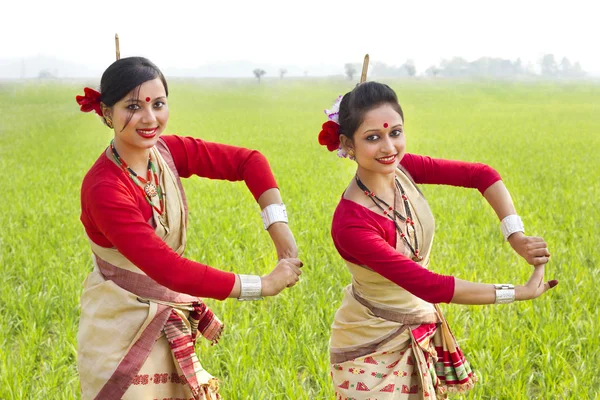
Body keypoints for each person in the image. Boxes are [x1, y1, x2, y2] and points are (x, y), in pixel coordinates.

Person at [75, 56, 302, 400]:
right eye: (133, 107)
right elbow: (169, 270)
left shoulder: (164, 153)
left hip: (168, 319)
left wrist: (279, 230)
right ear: (107, 113)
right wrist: (264, 285)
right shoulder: (105, 189)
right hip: (120, 327)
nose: (150, 118)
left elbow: (249, 161)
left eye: (159, 104)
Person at [317, 82, 557, 399]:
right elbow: (430, 286)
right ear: (347, 144)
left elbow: (482, 175)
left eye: (395, 133)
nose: (389, 147)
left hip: (419, 326)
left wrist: (515, 235)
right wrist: (519, 292)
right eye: (373, 137)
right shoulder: (352, 223)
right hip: (370, 345)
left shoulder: (405, 170)